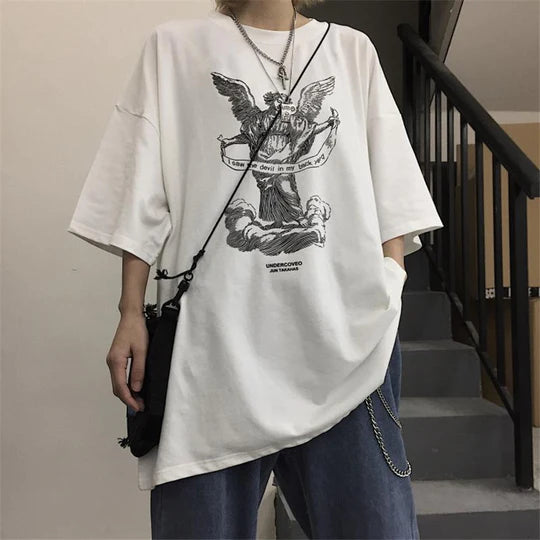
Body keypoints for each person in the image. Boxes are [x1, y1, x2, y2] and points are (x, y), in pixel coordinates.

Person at [67, 0, 444, 537]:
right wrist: (130, 311)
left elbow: (394, 191)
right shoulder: (175, 49)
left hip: (346, 344)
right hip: (216, 348)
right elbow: (139, 191)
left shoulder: (351, 50)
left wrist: (389, 287)